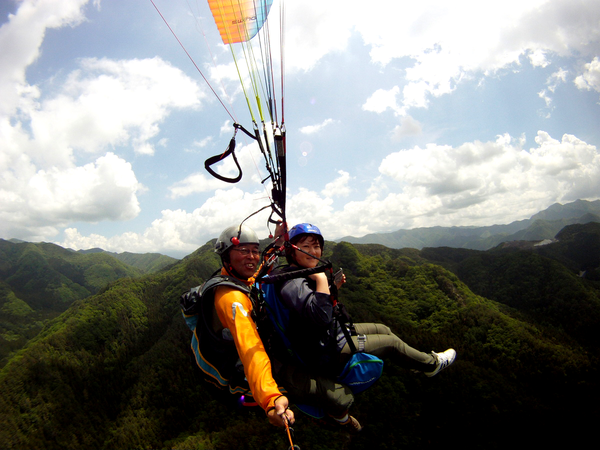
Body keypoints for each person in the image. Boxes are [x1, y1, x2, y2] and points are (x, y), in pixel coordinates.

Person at [270, 223, 456, 426]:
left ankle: (412, 360)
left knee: (383, 329)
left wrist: (332, 287)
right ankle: (431, 364)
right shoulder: (292, 282)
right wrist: (322, 279)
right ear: (292, 251)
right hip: (323, 351)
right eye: (305, 247)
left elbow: (313, 307)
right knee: (391, 344)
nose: (313, 252)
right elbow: (320, 316)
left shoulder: (297, 273)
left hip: (327, 335)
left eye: (316, 246)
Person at [210, 224, 295, 428]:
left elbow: (256, 278)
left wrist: (278, 244)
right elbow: (251, 349)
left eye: (255, 251)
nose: (252, 256)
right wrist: (271, 399)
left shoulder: (236, 280)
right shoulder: (233, 300)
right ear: (226, 256)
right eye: (243, 251)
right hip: (240, 371)